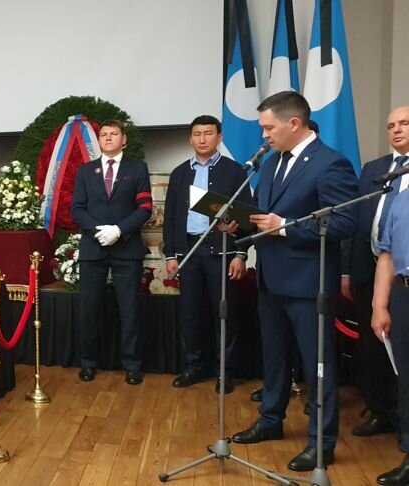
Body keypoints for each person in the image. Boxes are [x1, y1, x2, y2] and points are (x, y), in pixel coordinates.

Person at [230, 91, 358, 472]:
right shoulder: (271, 162)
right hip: (270, 279)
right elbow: (262, 214)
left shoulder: (331, 163)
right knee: (274, 358)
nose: (264, 135)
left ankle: (322, 442)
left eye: (269, 128)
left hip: (308, 283)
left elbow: (345, 222)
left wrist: (285, 227)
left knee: (317, 365)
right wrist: (238, 223)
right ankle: (271, 420)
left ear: (294, 123)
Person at [163, 116, 251, 393]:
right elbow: (170, 217)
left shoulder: (234, 171)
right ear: (190, 139)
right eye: (197, 134)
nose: (202, 139)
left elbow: (246, 216)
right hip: (188, 251)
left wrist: (240, 254)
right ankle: (193, 366)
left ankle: (224, 371)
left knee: (223, 314)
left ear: (219, 137)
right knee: (190, 314)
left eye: (208, 133)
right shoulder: (179, 173)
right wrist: (170, 255)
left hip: (221, 251)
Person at [339, 106, 409, 439]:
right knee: (373, 346)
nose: (397, 130)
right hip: (372, 268)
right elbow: (355, 222)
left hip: (403, 271)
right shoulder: (374, 170)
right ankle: (382, 411)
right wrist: (346, 270)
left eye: (405, 123)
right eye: (391, 125)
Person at [70, 120, 153, 385]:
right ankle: (88, 363)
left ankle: (132, 365)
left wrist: (119, 230)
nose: (108, 138)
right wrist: (99, 231)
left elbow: (145, 208)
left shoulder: (137, 168)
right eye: (104, 134)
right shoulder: (86, 171)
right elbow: (77, 209)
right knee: (89, 309)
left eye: (114, 134)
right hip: (93, 248)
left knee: (129, 310)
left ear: (123, 139)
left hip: (126, 248)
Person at [371, 165, 409, 484]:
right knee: (407, 381)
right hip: (403, 293)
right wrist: (379, 305)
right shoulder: (400, 197)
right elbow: (386, 254)